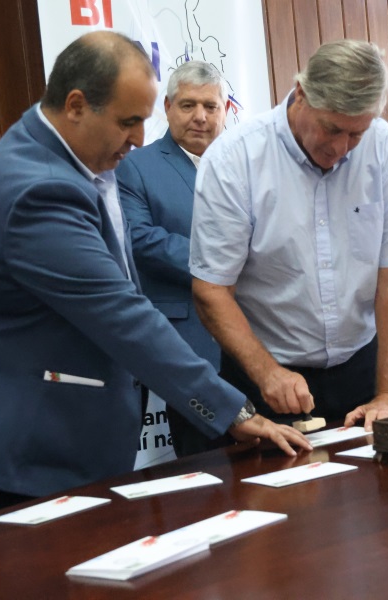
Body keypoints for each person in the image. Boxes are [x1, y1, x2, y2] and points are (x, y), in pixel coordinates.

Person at [0, 31, 310, 511]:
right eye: (129, 122)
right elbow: (122, 314)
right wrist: (229, 410)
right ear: (76, 105)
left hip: (74, 434)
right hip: (39, 447)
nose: (139, 139)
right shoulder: (37, 191)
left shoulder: (66, 153)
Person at [190, 40, 388, 431]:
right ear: (300, 94)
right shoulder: (235, 160)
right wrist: (267, 373)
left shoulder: (387, 150)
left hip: (360, 365)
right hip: (264, 371)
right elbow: (211, 290)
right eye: (332, 128)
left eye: (356, 134)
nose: (341, 148)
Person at [117, 60, 226, 457]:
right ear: (166, 108)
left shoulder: (243, 165)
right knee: (203, 464)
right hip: (186, 336)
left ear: (225, 110)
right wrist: (226, 263)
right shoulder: (135, 166)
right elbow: (142, 240)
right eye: (188, 105)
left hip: (254, 334)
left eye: (210, 106)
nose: (200, 117)